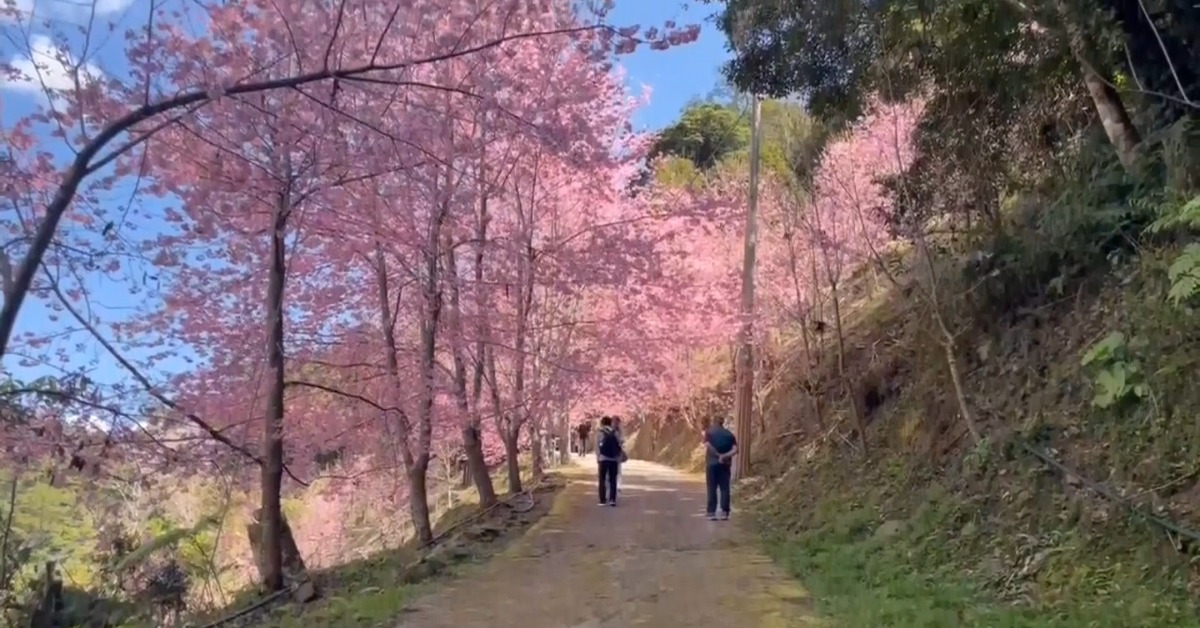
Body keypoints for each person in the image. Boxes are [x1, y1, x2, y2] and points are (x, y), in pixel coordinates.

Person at [702, 416, 738, 521]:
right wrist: (725, 456)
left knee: (711, 488)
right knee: (724, 488)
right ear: (723, 423)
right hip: (725, 465)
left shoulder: (709, 432)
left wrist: (718, 455)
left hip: (712, 464)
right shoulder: (729, 435)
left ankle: (711, 512)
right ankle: (724, 512)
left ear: (714, 422)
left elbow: (707, 445)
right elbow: (735, 449)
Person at [595, 416, 623, 506]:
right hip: (613, 459)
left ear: (602, 423)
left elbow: (597, 447)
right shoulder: (615, 432)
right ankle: (612, 500)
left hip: (603, 459)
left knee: (602, 479)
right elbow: (620, 443)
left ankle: (602, 500)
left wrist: (598, 457)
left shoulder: (600, 432)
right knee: (613, 480)